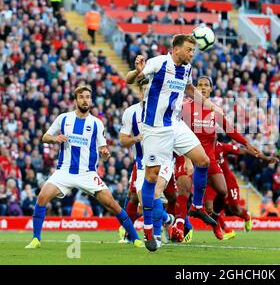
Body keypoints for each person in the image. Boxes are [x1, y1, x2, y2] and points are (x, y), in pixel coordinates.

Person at [125, 34, 221, 252]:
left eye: (194, 51)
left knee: (202, 160)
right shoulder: (159, 62)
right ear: (176, 49)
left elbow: (188, 88)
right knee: (151, 177)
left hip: (175, 124)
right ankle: (149, 228)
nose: (192, 54)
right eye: (189, 50)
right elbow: (130, 79)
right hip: (155, 128)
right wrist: (137, 71)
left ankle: (196, 207)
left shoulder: (186, 68)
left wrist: (210, 105)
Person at [25, 85, 143, 249]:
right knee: (42, 198)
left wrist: (105, 153)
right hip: (64, 171)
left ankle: (136, 238)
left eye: (88, 97)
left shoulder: (96, 123)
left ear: (91, 100)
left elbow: (102, 147)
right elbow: (45, 137)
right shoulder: (63, 118)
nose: (85, 100)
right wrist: (54, 139)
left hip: (87, 173)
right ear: (75, 100)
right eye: (81, 97)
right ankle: (36, 239)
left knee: (112, 204)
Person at [171, 76, 260, 242]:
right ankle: (180, 228)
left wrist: (246, 143)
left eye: (206, 86)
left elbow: (229, 129)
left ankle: (216, 220)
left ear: (211, 90)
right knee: (183, 190)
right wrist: (182, 155)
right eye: (199, 85)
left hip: (208, 158)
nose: (203, 88)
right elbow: (174, 131)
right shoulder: (183, 107)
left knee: (222, 191)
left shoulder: (214, 110)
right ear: (195, 88)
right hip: (187, 155)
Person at [118, 85, 175, 247]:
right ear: (141, 92)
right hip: (142, 163)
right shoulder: (131, 112)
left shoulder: (166, 108)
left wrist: (187, 159)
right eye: (145, 90)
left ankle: (155, 237)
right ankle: (166, 219)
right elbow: (122, 141)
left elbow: (179, 132)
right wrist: (136, 138)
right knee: (144, 202)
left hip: (164, 160)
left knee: (156, 192)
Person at [214, 141, 278, 239]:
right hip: (212, 183)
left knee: (234, 209)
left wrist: (265, 158)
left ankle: (246, 217)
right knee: (210, 208)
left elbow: (245, 151)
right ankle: (226, 230)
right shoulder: (200, 149)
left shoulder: (222, 146)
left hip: (228, 183)